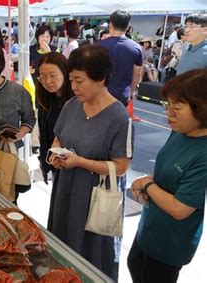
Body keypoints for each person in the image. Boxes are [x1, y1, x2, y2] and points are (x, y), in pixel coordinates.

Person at [47, 45, 133, 281]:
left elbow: (121, 167)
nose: (73, 87)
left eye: (79, 80)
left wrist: (81, 162)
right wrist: (55, 153)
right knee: (63, 247)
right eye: (72, 79)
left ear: (101, 79)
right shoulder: (71, 105)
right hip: (66, 188)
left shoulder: (119, 117)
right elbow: (59, 138)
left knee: (91, 256)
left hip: (95, 197)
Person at [128, 69, 207, 283]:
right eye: (167, 105)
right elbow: (167, 168)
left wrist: (147, 184)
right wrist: (146, 183)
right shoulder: (180, 131)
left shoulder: (203, 153)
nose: (169, 113)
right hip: (151, 225)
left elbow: (180, 209)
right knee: (134, 264)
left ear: (201, 110)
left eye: (177, 108)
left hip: (171, 242)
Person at [35, 52, 74, 184]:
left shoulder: (75, 101)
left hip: (71, 164)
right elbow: (44, 134)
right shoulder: (46, 99)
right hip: (54, 161)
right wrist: (43, 159)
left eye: (53, 76)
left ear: (65, 72)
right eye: (42, 77)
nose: (47, 81)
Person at [100, 10, 143, 106]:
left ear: (110, 24)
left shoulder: (99, 46)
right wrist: (132, 91)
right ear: (127, 26)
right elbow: (137, 74)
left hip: (100, 93)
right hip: (122, 95)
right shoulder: (136, 48)